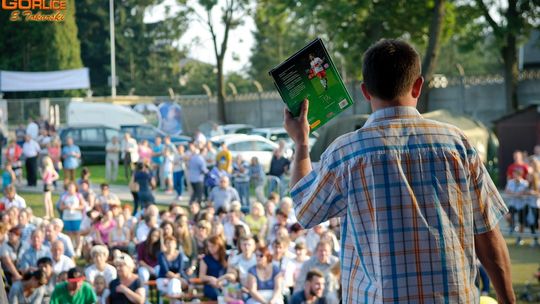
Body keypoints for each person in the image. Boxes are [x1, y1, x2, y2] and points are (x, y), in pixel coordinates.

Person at [284, 39, 514, 303]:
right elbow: (488, 235)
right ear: (418, 86)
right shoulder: (457, 144)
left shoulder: (344, 153)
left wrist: (301, 143)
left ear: (365, 92)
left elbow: (305, 211)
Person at [199, 235, 228, 300]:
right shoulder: (205, 259)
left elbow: (229, 272)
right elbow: (201, 276)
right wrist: (211, 278)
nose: (210, 248)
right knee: (216, 295)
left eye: (213, 246)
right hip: (211, 285)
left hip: (224, 284)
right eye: (209, 246)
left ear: (219, 246)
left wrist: (222, 281)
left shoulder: (226, 257)